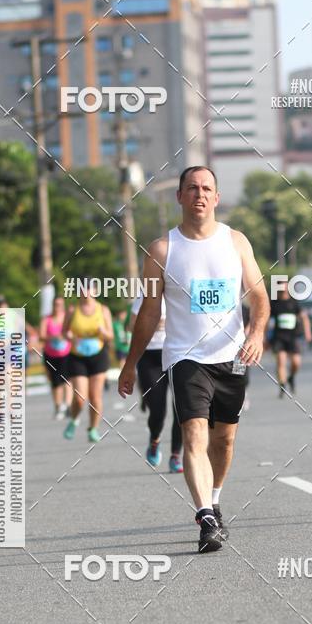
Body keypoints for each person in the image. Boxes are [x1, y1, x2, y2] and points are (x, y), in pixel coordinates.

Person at [118, 165, 270, 553]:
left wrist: (255, 333)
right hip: (186, 356)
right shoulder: (162, 250)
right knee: (194, 433)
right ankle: (204, 516)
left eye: (206, 189)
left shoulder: (236, 242)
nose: (199, 195)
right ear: (180, 197)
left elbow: (259, 298)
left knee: (226, 439)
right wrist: (131, 362)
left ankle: (214, 498)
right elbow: (149, 312)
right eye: (191, 188)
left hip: (232, 355)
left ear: (216, 198)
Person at [129, 291, 183, 472]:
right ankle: (154, 439)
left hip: (177, 354)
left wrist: (166, 323)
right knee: (158, 410)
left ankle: (176, 455)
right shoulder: (145, 296)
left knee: (182, 409)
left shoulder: (180, 293)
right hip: (150, 357)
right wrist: (151, 324)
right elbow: (131, 326)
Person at [63, 281, 113, 443]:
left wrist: (103, 332)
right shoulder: (72, 310)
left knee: (95, 397)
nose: (86, 292)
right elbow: (64, 331)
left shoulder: (103, 310)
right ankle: (74, 420)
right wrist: (70, 336)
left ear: (95, 291)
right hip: (77, 357)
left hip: (98, 356)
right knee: (79, 397)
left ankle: (93, 428)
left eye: (89, 289)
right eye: (82, 289)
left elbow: (111, 336)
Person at [270, 283, 312, 396]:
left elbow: (304, 317)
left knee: (296, 362)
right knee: (281, 361)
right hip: (279, 337)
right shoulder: (274, 303)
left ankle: (291, 377)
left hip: (292, 337)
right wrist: (262, 336)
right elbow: (265, 320)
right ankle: (282, 385)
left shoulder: (294, 303)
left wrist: (308, 332)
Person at [40, 295, 72, 419]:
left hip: (67, 354)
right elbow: (41, 336)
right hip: (51, 354)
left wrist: (67, 335)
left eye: (60, 304)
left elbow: (73, 331)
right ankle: (58, 406)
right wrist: (53, 337)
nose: (58, 307)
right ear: (52, 305)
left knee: (67, 379)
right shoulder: (46, 319)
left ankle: (68, 405)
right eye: (56, 304)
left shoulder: (67, 317)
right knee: (55, 382)